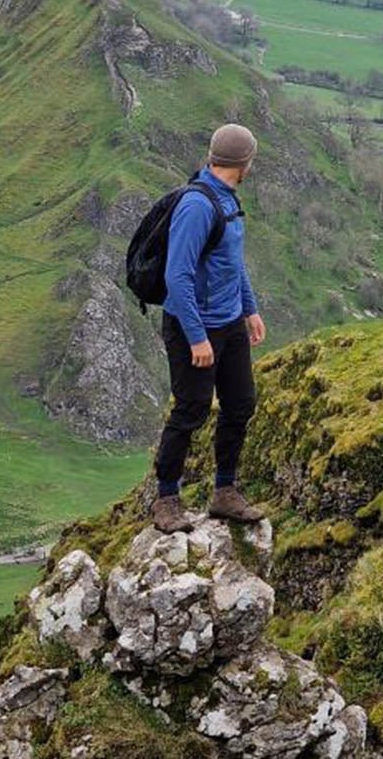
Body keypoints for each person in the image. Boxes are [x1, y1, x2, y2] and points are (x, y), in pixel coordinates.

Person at [151, 123, 267, 534]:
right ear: (244, 163)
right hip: (194, 326)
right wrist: (197, 337)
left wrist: (249, 309)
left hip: (230, 321)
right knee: (191, 410)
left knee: (241, 404)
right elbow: (177, 277)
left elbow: (231, 263)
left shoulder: (229, 202)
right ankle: (166, 500)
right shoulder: (198, 207)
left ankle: (225, 492)